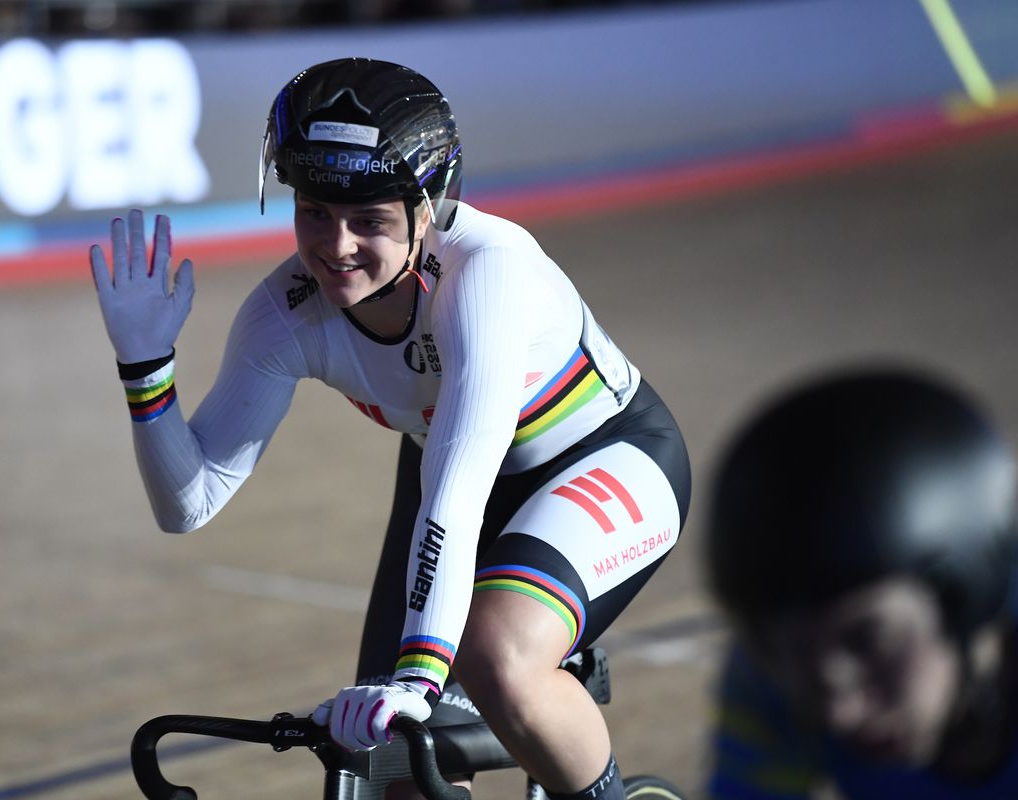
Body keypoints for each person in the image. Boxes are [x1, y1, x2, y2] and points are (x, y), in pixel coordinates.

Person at [89, 57, 690, 799]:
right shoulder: (285, 315)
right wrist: (145, 367)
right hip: (453, 476)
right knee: (390, 763)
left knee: (494, 657)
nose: (335, 246)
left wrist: (418, 676)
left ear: (429, 210)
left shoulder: (487, 274)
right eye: (314, 211)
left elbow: (457, 489)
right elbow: (190, 503)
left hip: (599, 460)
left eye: (369, 220)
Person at [703, 368, 1018, 799]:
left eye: (867, 639)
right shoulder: (770, 680)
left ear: (967, 594)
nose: (839, 713)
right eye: (785, 651)